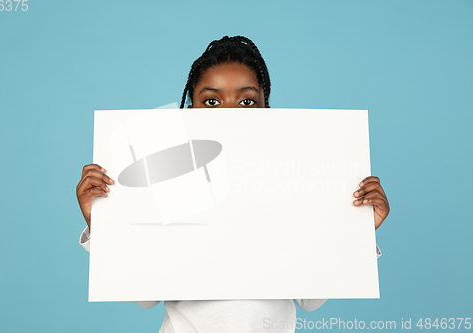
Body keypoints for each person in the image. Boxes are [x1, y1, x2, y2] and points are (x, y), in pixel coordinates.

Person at [76, 36, 390, 333]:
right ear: (191, 110)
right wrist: (103, 223)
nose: (229, 113)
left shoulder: (292, 181)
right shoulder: (171, 182)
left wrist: (358, 231)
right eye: (212, 101)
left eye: (247, 101)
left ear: (266, 109)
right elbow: (146, 298)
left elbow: (310, 301)